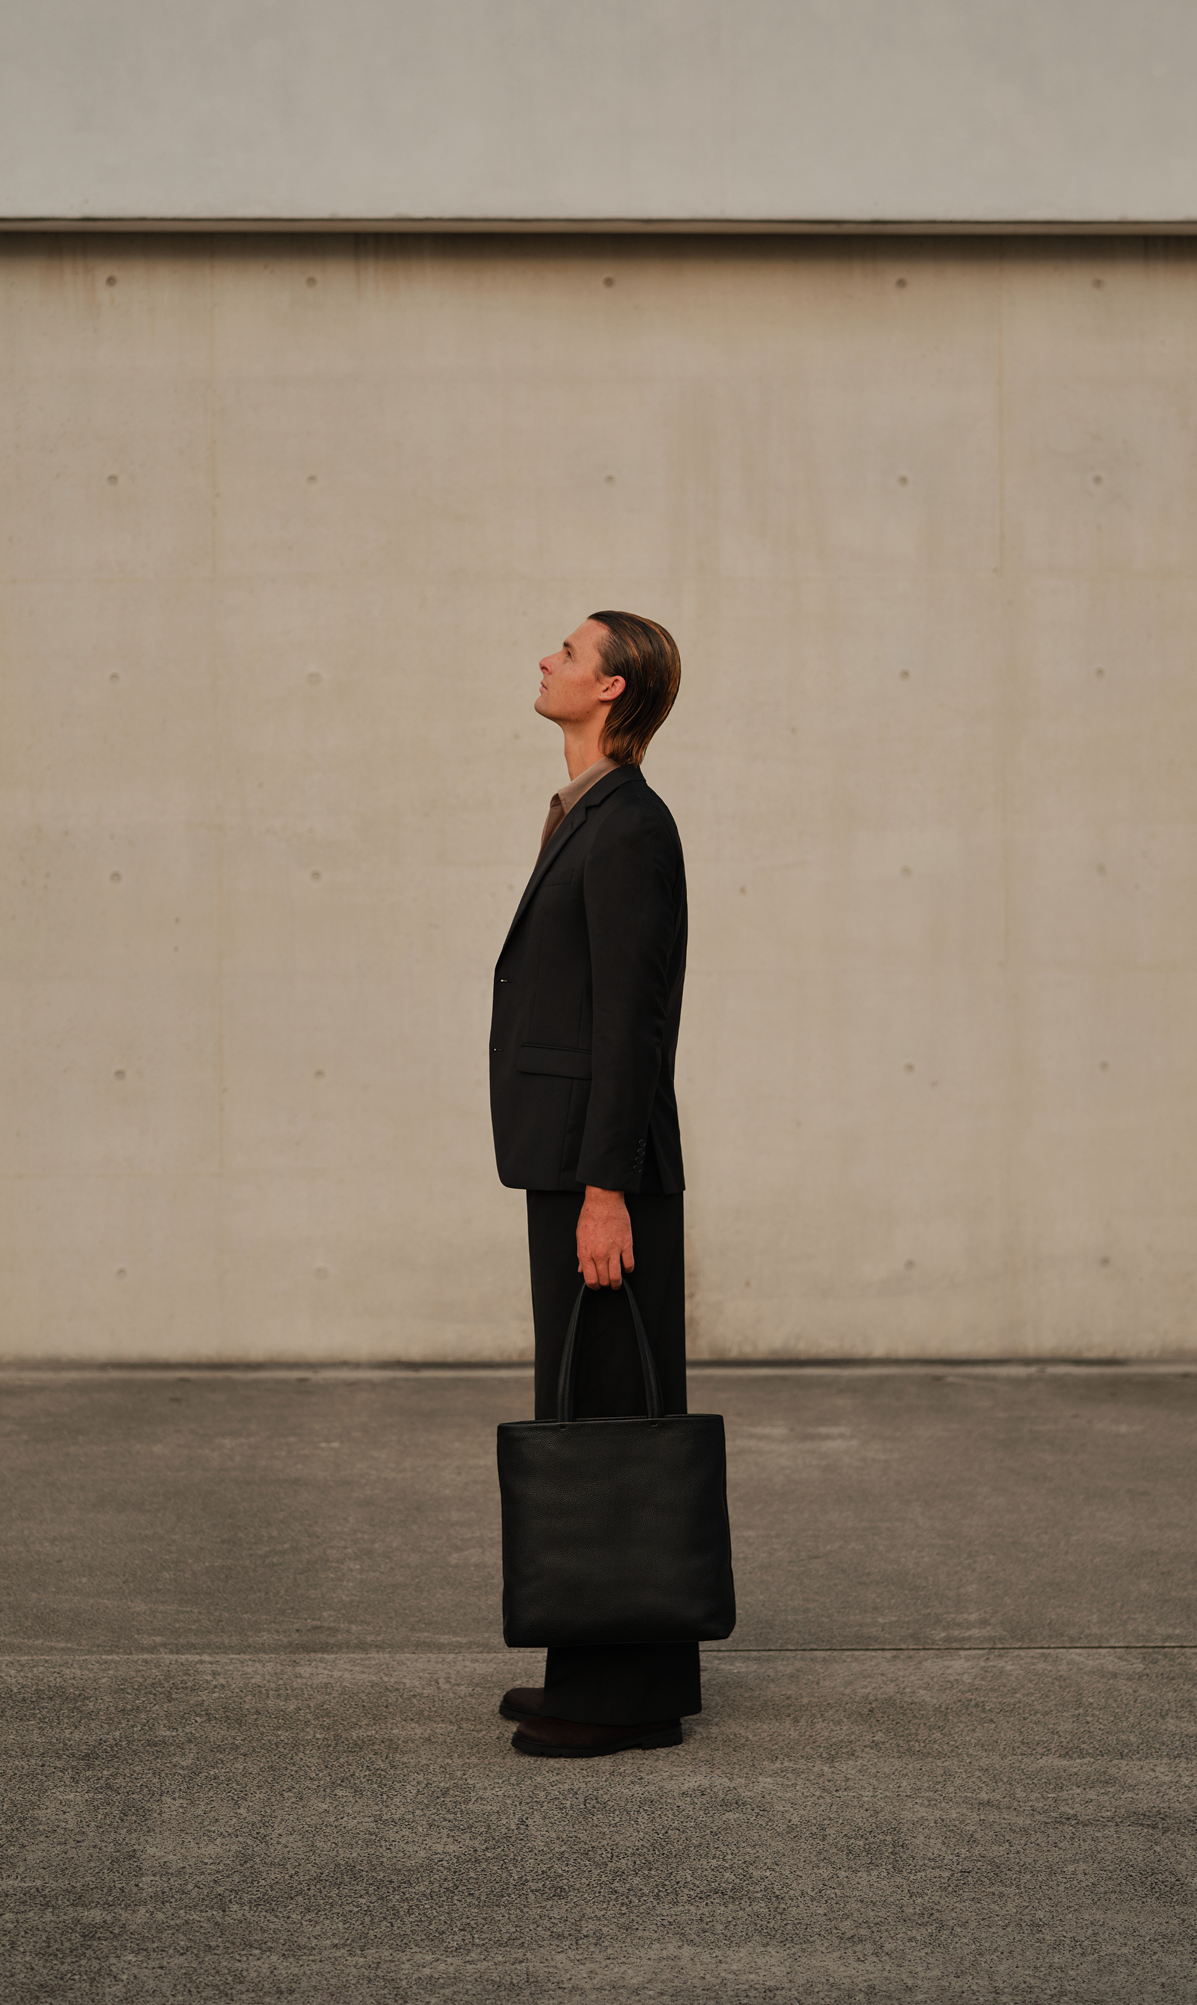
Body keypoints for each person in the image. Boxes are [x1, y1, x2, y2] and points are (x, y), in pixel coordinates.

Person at [488, 611, 693, 1758]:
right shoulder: (587, 814)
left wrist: (606, 1187)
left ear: (610, 688)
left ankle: (623, 1697)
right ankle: (601, 1664)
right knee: (593, 1406)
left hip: (600, 1169)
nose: (545, 661)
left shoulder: (629, 829)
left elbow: (635, 1019)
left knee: (611, 1415)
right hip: (572, 1161)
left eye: (566, 651)